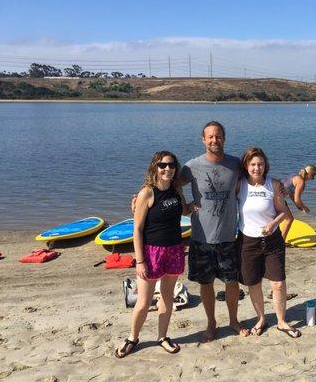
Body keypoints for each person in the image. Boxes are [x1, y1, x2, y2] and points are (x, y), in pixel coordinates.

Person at [115, 151, 191, 358]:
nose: (168, 169)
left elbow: (185, 211)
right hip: (151, 252)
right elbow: (137, 230)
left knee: (167, 297)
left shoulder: (176, 190)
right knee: (144, 302)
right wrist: (140, 261)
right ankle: (132, 337)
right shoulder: (147, 193)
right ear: (154, 168)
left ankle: (163, 336)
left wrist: (203, 203)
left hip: (174, 249)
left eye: (172, 165)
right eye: (162, 165)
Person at [180, 121, 249, 342]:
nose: (214, 140)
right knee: (206, 283)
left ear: (224, 138)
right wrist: (184, 206)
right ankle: (211, 323)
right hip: (201, 238)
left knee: (232, 282)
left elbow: (259, 178)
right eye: (210, 137)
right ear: (203, 139)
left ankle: (234, 321)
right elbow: (170, 184)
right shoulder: (192, 166)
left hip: (228, 236)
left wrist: (289, 185)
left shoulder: (236, 164)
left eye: (218, 136)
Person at [236, 147, 301, 338]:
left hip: (272, 241)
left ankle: (281, 321)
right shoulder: (239, 185)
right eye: (253, 164)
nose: (257, 168)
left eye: (261, 164)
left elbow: (284, 212)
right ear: (246, 165)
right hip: (248, 241)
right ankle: (261, 319)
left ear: (265, 166)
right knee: (253, 283)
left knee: (278, 284)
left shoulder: (273, 184)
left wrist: (273, 223)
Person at [280, 165, 316, 240]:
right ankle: (281, 242)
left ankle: (276, 239)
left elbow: (290, 193)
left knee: (275, 219)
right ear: (309, 174)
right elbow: (297, 200)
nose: (312, 178)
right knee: (289, 219)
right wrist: (305, 208)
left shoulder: (295, 176)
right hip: (277, 199)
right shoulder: (301, 182)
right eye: (313, 176)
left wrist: (298, 206)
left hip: (273, 196)